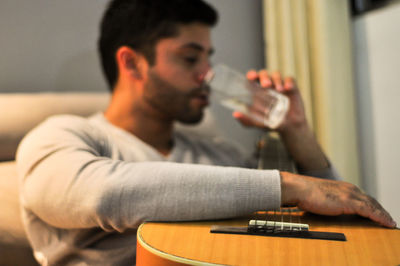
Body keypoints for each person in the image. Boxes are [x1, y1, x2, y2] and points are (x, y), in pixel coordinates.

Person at [16, 0, 396, 265]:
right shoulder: (63, 136)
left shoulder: (216, 154)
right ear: (132, 63)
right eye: (190, 58)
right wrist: (290, 185)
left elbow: (331, 220)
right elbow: (102, 195)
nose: (207, 76)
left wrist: (297, 130)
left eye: (208, 58)